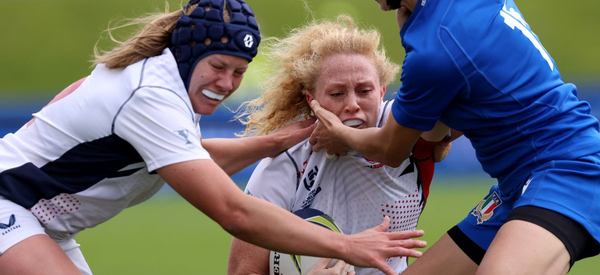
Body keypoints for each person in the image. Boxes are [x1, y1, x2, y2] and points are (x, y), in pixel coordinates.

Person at [0, 1, 429, 274]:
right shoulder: (152, 99)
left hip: (39, 221)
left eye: (238, 72)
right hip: (9, 205)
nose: (226, 83)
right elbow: (233, 211)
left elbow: (193, 159)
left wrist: (273, 142)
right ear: (190, 53)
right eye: (218, 66)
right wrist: (347, 247)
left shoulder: (154, 76)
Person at [309, 0, 600, 274]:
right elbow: (455, 114)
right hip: (520, 184)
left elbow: (390, 149)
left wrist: (341, 134)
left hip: (567, 174)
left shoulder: (435, 45)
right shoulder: (451, 18)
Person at [227, 16, 451, 275]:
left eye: (364, 91)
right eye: (337, 93)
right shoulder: (285, 162)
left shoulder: (405, 127)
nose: (352, 104)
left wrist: (344, 135)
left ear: (382, 90)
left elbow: (462, 99)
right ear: (312, 99)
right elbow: (243, 270)